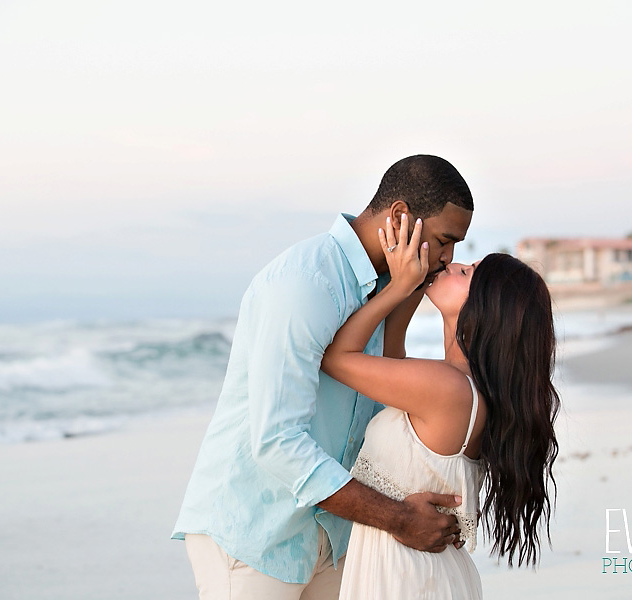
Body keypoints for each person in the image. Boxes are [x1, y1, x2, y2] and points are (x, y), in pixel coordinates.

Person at [172, 155, 474, 599]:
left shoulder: (386, 286)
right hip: (257, 531)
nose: (448, 258)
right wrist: (399, 519)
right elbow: (277, 440)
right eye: (444, 241)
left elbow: (387, 414)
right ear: (399, 217)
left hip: (336, 536)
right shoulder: (306, 283)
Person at [320, 216, 561, 599]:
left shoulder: (449, 389)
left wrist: (399, 286)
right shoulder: (461, 385)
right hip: (421, 575)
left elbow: (334, 357)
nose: (453, 264)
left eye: (466, 273)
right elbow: (392, 355)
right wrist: (414, 285)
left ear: (484, 310)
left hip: (408, 579)